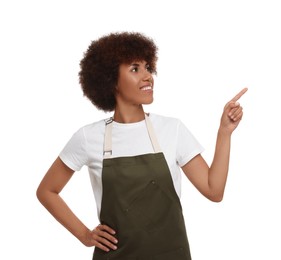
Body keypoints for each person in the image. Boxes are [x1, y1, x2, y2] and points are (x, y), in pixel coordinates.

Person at [36, 32, 247, 259]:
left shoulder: (172, 129)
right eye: (135, 69)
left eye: (148, 67)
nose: (148, 76)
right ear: (111, 80)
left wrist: (224, 132)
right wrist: (85, 235)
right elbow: (47, 191)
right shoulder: (89, 137)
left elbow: (213, 191)